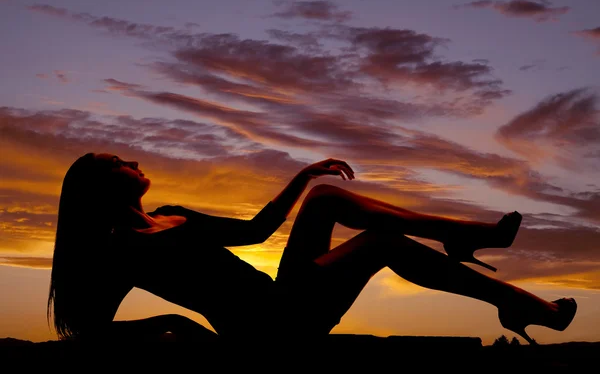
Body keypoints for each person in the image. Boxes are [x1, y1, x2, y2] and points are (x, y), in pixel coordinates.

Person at [47, 153, 577, 345]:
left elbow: (258, 232)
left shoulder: (175, 213)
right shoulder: (118, 250)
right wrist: (175, 325)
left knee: (323, 196)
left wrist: (302, 174)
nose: (133, 160)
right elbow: (90, 331)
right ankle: (523, 305)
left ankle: (462, 235)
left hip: (283, 296)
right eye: (118, 161)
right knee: (383, 244)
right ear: (101, 186)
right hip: (266, 330)